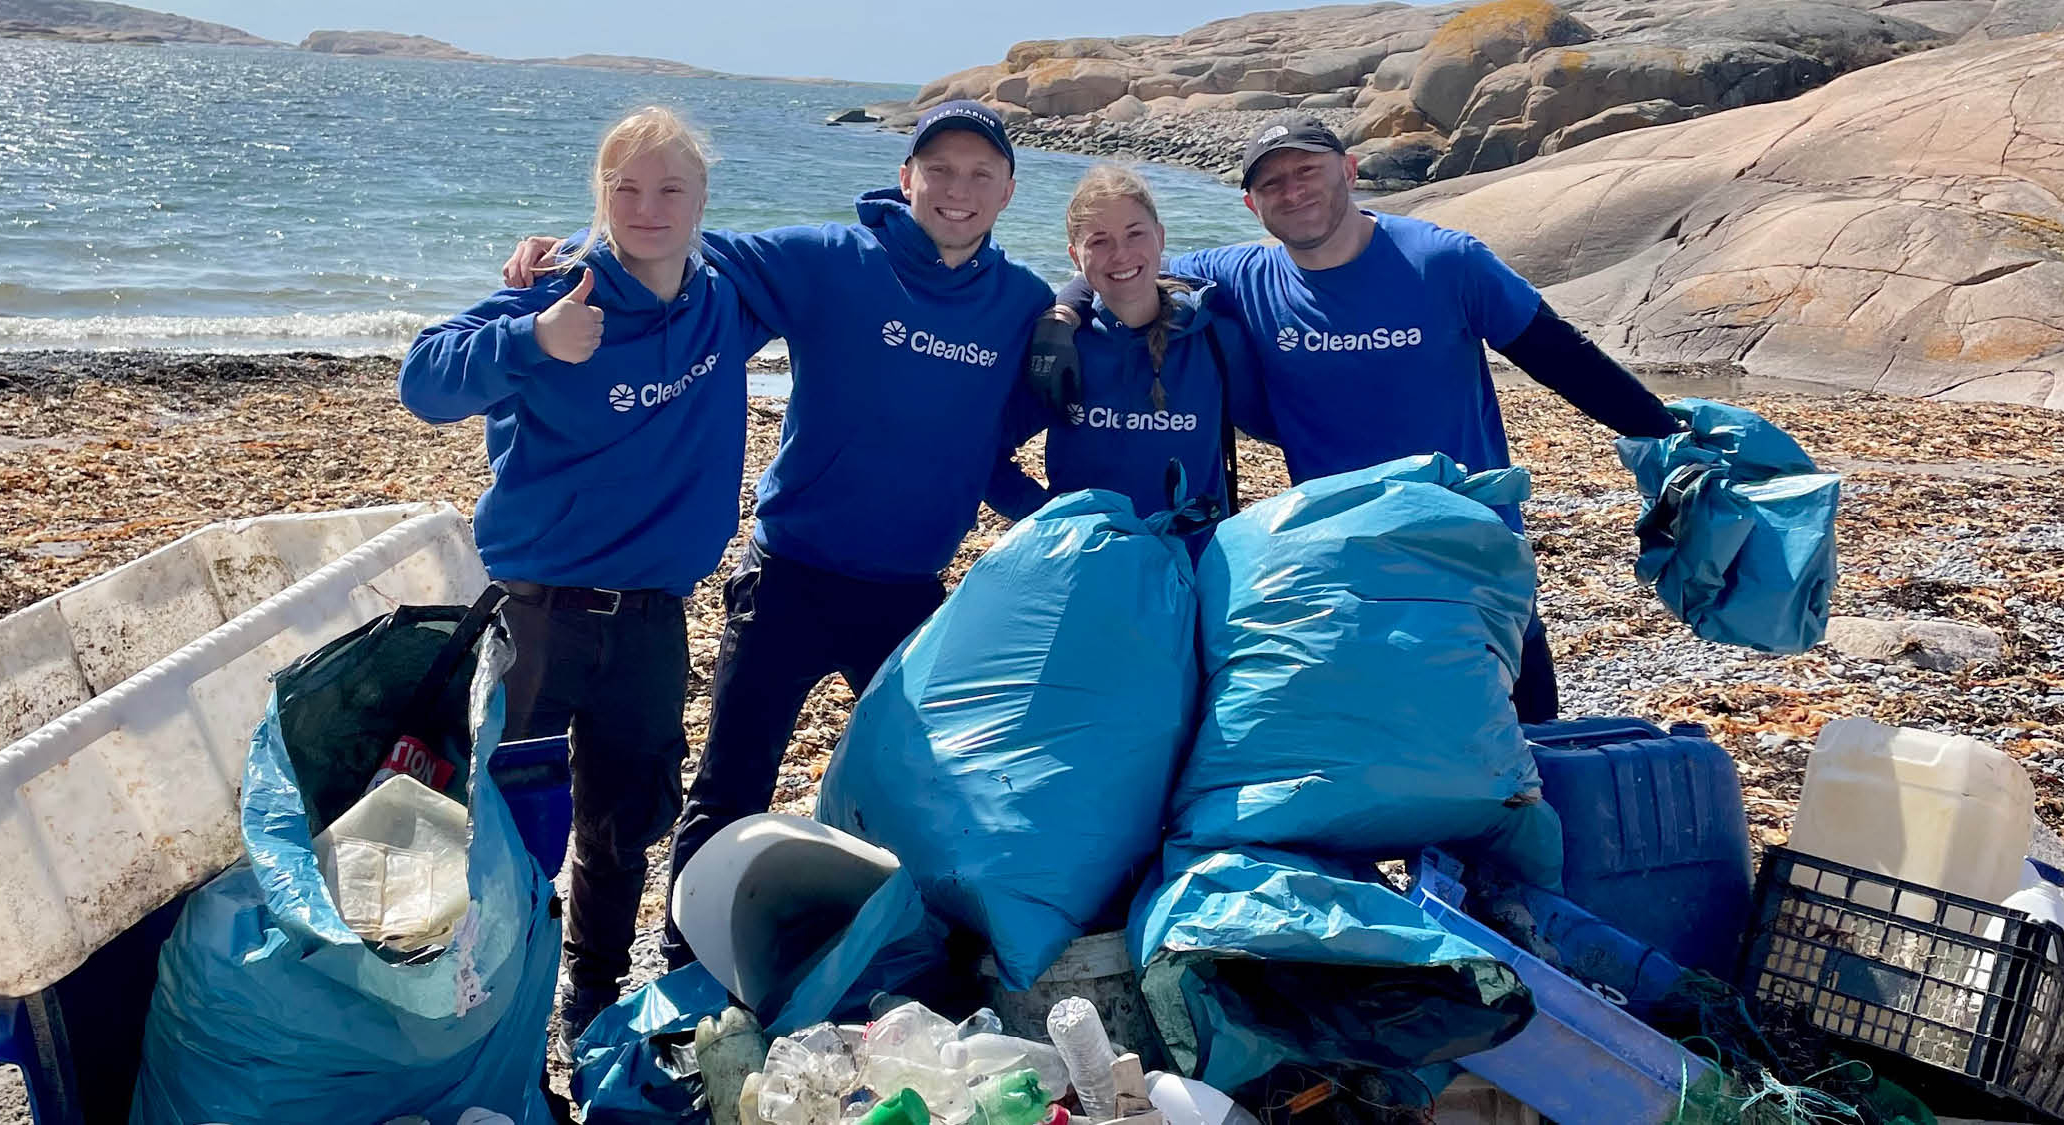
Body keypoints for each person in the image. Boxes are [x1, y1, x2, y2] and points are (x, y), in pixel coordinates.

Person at [500, 99, 1054, 969]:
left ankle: (913, 955)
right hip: (789, 574)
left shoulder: (1022, 302)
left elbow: (1059, 361)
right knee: (728, 786)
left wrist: (1055, 504)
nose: (958, 190)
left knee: (922, 790)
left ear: (1009, 191)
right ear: (906, 177)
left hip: (908, 594)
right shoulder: (832, 260)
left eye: (981, 173)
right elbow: (671, 238)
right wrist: (562, 254)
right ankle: (681, 973)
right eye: (939, 170)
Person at [1031, 113, 1681, 722]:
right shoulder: (1244, 275)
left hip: (1468, 551)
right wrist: (1061, 316)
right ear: (1252, 206)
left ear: (1349, 169)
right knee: (1381, 755)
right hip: (1343, 562)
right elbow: (1119, 267)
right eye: (1272, 183)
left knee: (1524, 752)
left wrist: (1671, 439)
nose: (1292, 191)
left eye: (1307, 170)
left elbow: (1563, 357)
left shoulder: (1444, 261)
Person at [398, 107, 772, 1044]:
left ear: (701, 203)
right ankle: (490, 1004)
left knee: (623, 825)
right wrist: (533, 340)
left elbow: (840, 268)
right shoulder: (557, 292)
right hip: (538, 616)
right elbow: (422, 382)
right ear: (599, 199)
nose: (648, 207)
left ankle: (593, 1003)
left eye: (670, 189)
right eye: (625, 189)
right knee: (501, 825)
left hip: (649, 621)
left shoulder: (727, 298)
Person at [986, 163, 1259, 524]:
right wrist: (1048, 518)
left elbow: (1277, 423)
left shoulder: (1216, 338)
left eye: (1135, 234)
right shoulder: (1062, 350)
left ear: (1160, 237)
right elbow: (987, 454)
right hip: (1087, 565)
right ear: (1075, 257)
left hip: (1193, 566)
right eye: (1099, 241)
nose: (1121, 254)